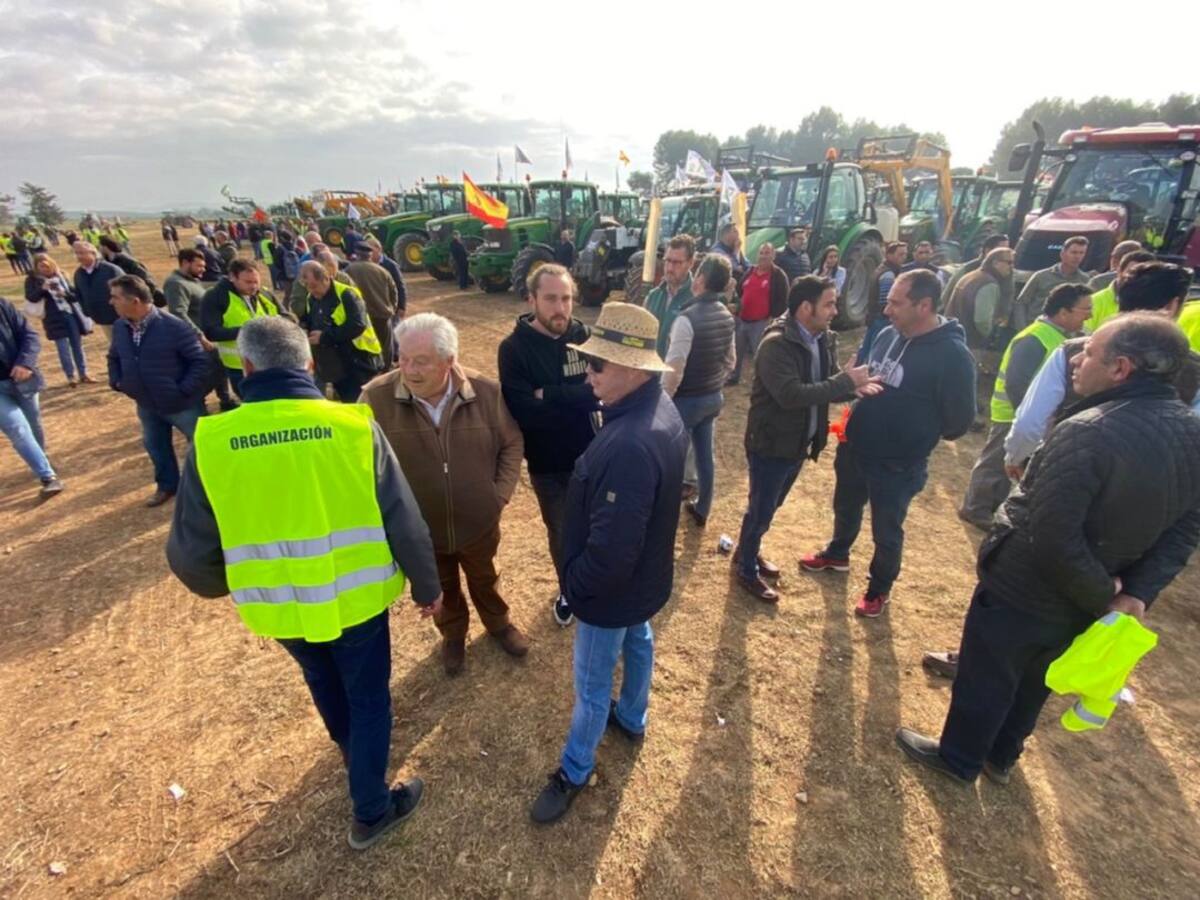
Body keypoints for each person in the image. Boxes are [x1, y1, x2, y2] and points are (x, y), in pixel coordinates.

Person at [166, 316, 440, 851]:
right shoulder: (352, 426)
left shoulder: (213, 439)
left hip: (280, 608)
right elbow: (402, 518)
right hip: (356, 600)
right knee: (368, 700)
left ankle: (353, 755)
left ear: (245, 367)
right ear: (309, 363)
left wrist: (225, 584)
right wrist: (428, 587)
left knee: (324, 682)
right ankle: (371, 808)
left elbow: (192, 549)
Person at [897, 313, 1200, 786]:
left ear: (1121, 368)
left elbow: (1052, 532)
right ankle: (1002, 756)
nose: (1076, 360)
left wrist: (1105, 592)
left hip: (1027, 587)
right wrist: (1131, 593)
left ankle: (959, 757)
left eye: (1090, 353)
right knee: (1036, 677)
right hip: (1091, 595)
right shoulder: (1191, 432)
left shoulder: (1090, 430)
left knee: (988, 672)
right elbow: (1186, 529)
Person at [529, 302, 687, 824]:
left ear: (636, 369)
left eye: (598, 364)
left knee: (592, 687)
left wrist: (576, 589)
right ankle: (635, 716)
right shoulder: (660, 409)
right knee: (639, 638)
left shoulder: (627, 441)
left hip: (611, 592)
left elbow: (611, 551)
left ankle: (575, 770)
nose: (588, 372)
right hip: (642, 582)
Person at [360, 313, 528, 676]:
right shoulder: (374, 399)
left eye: (421, 361)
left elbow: (512, 443)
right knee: (442, 585)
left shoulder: (486, 393)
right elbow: (360, 465)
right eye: (402, 358)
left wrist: (497, 496)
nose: (409, 369)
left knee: (486, 577)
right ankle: (453, 635)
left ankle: (499, 624)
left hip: (479, 521)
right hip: (421, 531)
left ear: (449, 361)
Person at [801, 269, 976, 617]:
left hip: (897, 463)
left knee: (887, 529)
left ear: (923, 305)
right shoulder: (886, 334)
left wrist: (913, 432)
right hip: (856, 447)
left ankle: (878, 589)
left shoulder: (953, 355)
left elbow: (959, 420)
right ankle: (838, 553)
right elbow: (865, 374)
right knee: (846, 507)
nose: (887, 310)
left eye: (896, 303)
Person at [735, 276, 875, 602]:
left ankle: (747, 551)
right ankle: (745, 568)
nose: (834, 310)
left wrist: (850, 386)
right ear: (805, 307)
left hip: (799, 442)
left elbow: (825, 384)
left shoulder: (823, 338)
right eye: (829, 303)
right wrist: (842, 383)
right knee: (761, 508)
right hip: (771, 444)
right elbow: (790, 394)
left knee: (770, 506)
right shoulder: (776, 344)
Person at [1004, 262, 1197, 474]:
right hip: (1148, 493)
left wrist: (1017, 457)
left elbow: (1029, 422)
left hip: (1062, 470)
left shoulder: (1072, 351)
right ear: (1172, 306)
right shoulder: (1194, 372)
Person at [497, 263, 598, 628]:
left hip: (592, 454)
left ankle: (594, 584)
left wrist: (549, 394)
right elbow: (524, 411)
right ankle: (569, 589)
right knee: (562, 531)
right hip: (548, 464)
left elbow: (598, 393)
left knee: (597, 525)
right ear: (532, 299)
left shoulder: (584, 336)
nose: (561, 308)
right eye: (552, 298)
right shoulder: (513, 349)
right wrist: (577, 397)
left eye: (567, 298)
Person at [955, 283, 1093, 531]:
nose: (1089, 316)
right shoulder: (1034, 338)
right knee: (995, 462)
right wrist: (1026, 415)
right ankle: (975, 508)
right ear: (1063, 312)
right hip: (1013, 414)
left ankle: (991, 506)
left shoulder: (1060, 338)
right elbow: (1017, 383)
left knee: (1008, 466)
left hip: (1029, 417)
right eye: (1085, 310)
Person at [107, 275, 210, 507]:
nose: (111, 302)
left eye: (115, 297)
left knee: (201, 446)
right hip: (147, 403)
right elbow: (114, 356)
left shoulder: (174, 326)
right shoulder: (121, 327)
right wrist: (117, 381)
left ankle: (205, 490)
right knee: (155, 445)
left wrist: (182, 390)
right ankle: (167, 486)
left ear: (134, 301)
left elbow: (199, 361)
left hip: (182, 404)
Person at [663, 254, 736, 527]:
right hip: (712, 397)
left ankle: (666, 512)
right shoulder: (727, 315)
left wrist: (663, 400)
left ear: (701, 279)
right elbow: (731, 361)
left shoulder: (686, 318)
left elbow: (674, 369)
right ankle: (703, 508)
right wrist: (714, 380)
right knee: (705, 456)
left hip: (687, 401)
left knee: (672, 459)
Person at [943, 247, 1017, 428]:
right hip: (972, 339)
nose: (1011, 267)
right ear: (995, 262)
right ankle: (968, 417)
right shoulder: (989, 283)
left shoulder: (971, 275)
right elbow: (982, 320)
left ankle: (969, 407)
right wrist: (989, 335)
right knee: (967, 379)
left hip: (955, 333)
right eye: (1009, 262)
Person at [0, 295, 64, 497]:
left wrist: (25, 362)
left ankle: (40, 456)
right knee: (17, 428)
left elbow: (29, 335)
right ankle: (48, 476)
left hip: (22, 379)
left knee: (33, 423)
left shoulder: (2, 305)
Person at [296, 261, 384, 402]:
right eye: (306, 287)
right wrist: (304, 326)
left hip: (360, 362)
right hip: (337, 365)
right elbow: (310, 319)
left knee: (364, 402)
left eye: (313, 286)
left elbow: (357, 325)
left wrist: (324, 337)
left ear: (325, 278)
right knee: (347, 401)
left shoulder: (347, 294)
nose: (311, 290)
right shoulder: (311, 298)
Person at [164, 249, 239, 412]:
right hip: (197, 340)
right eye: (199, 266)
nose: (203, 270)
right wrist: (199, 336)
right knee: (207, 375)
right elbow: (178, 312)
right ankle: (197, 405)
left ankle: (226, 400)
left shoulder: (192, 280)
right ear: (185, 263)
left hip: (209, 336)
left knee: (220, 369)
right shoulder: (176, 284)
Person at [200, 258, 287, 397]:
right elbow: (211, 332)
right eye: (248, 282)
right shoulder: (215, 296)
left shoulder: (264, 293)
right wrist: (249, 330)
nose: (253, 286)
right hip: (239, 368)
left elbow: (287, 316)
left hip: (271, 362)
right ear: (232, 277)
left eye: (256, 282)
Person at [25, 254, 94, 387]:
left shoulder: (62, 276)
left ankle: (83, 373)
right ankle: (70, 376)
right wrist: (42, 289)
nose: (45, 269)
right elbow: (31, 298)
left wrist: (66, 294)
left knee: (77, 345)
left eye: (47, 265)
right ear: (36, 267)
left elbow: (75, 295)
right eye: (41, 266)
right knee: (63, 348)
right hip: (53, 318)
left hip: (70, 314)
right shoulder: (33, 280)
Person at [726, 242, 788, 386]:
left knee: (760, 354)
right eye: (762, 253)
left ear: (773, 255)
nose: (764, 256)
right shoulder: (750, 271)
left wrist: (774, 318)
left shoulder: (778, 275)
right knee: (737, 351)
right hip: (742, 320)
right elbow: (740, 291)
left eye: (767, 253)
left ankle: (762, 381)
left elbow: (783, 299)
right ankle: (734, 377)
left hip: (761, 322)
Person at [1011, 235, 1090, 330]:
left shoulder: (1085, 280)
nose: (1077, 257)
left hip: (1066, 332)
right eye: (1073, 252)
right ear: (1063, 254)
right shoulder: (1041, 276)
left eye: (1082, 253)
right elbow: (1021, 302)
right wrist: (1022, 328)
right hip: (1037, 327)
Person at [347, 244, 400, 365]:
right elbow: (394, 292)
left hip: (362, 315)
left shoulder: (350, 270)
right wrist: (392, 308)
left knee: (365, 345)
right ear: (370, 256)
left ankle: (370, 368)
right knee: (385, 345)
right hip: (383, 313)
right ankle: (386, 368)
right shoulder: (383, 271)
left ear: (357, 255)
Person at [642, 234, 695, 356]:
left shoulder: (696, 300)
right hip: (649, 372)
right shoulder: (652, 297)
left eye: (677, 263)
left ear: (691, 263)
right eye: (668, 261)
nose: (670, 268)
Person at [1082, 249, 1155, 334]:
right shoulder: (1094, 302)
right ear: (1119, 271)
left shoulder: (1159, 307)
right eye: (1132, 273)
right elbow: (1080, 338)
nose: (1137, 279)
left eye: (1143, 275)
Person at [858, 241, 908, 364]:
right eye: (900, 254)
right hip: (881, 318)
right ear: (889, 255)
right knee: (876, 351)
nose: (904, 258)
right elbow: (885, 301)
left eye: (905, 254)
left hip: (874, 316)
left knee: (866, 348)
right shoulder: (888, 274)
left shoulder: (881, 269)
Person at [71, 241, 124, 346]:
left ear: (93, 253)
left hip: (120, 317)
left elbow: (126, 291)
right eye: (76, 253)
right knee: (116, 346)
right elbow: (79, 294)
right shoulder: (79, 274)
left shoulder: (111, 270)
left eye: (82, 253)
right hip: (102, 318)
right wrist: (87, 311)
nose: (78, 256)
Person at [941, 233, 1010, 303]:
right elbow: (945, 298)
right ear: (988, 251)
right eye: (1002, 251)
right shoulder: (966, 270)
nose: (1007, 254)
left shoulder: (1007, 273)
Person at [366, 238, 407, 320]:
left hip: (391, 307)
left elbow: (400, 286)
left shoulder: (390, 265)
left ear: (379, 249)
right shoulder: (367, 265)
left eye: (371, 250)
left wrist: (401, 307)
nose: (369, 253)